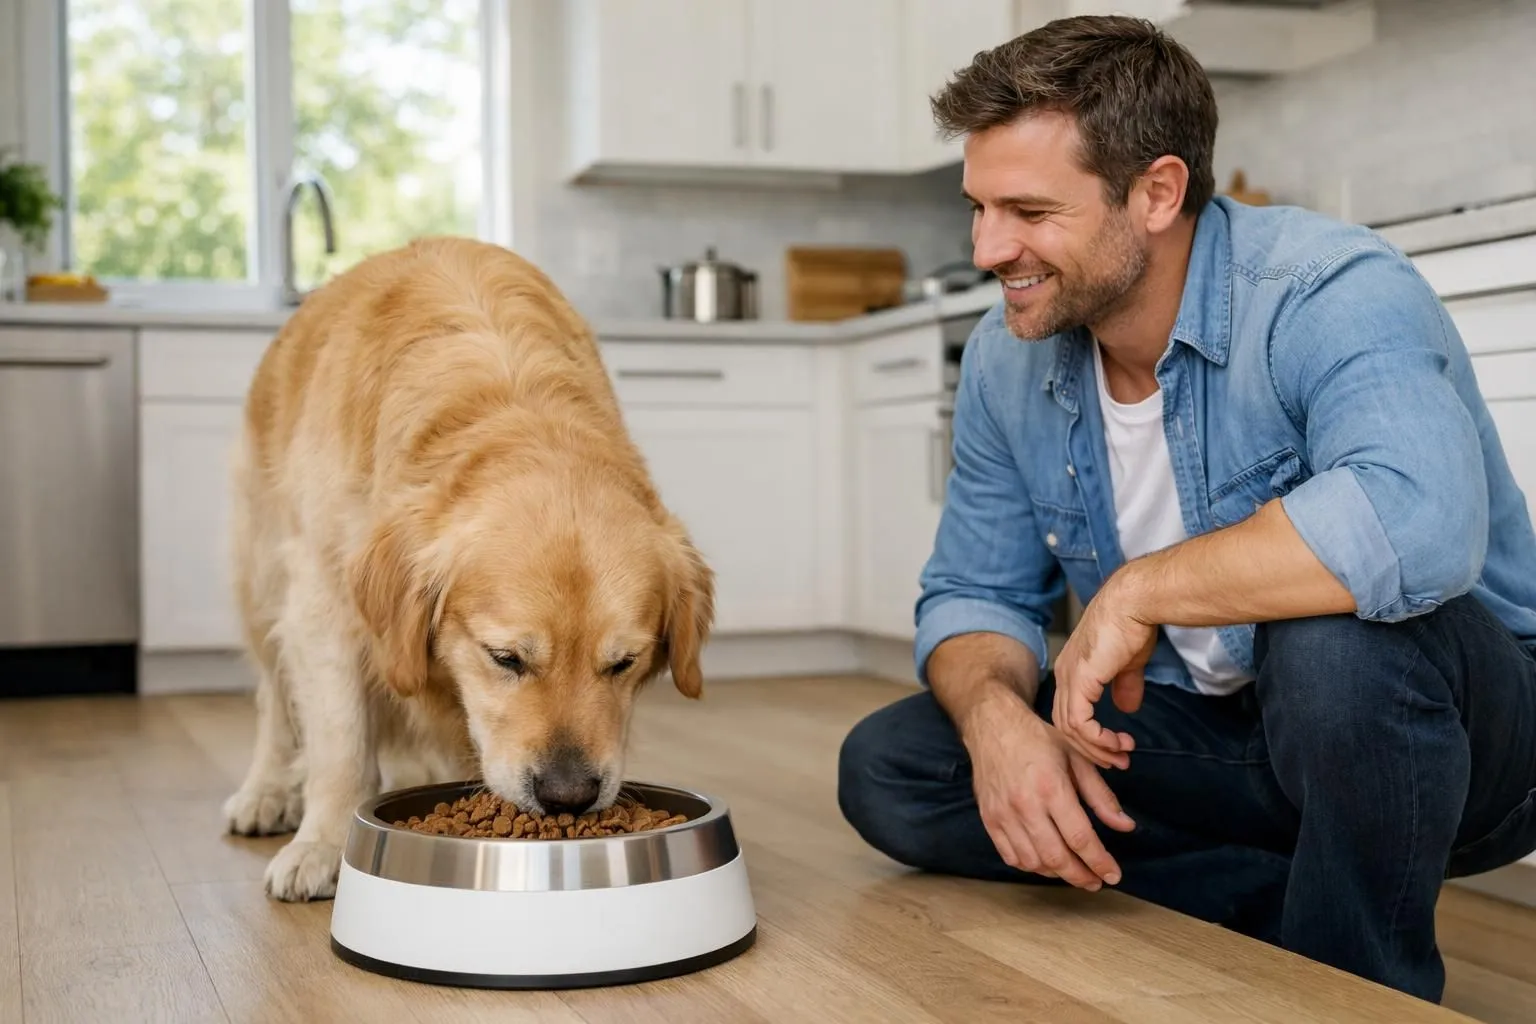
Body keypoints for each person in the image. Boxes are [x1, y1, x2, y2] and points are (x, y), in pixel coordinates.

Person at [836, 13, 1536, 1005]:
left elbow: (1418, 520)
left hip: (1464, 738)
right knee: (895, 767)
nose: (990, 248)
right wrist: (996, 720)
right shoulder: (1006, 357)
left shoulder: (1325, 287)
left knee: (1334, 643)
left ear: (1157, 192)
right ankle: (1287, 905)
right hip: (1217, 734)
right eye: (979, 208)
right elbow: (971, 592)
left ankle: (1355, 991)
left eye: (1028, 210)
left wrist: (1140, 590)